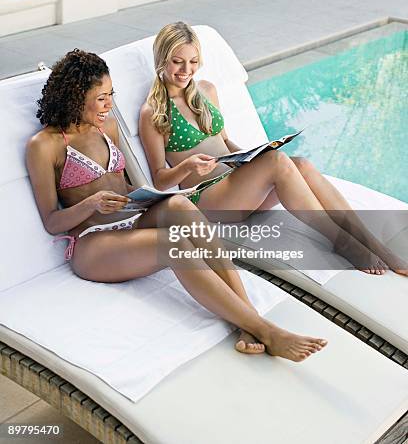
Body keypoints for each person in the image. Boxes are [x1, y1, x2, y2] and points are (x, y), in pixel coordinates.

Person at [26, 49, 327, 360]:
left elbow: (126, 184)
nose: (109, 104)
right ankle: (267, 331)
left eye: (111, 95)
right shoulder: (44, 146)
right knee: (175, 243)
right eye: (101, 98)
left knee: (182, 207)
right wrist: (91, 204)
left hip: (131, 220)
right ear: (76, 96)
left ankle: (247, 320)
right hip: (93, 243)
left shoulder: (107, 128)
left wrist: (147, 197)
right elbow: (51, 221)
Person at [140, 22, 408, 277]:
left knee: (300, 164)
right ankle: (342, 242)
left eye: (193, 61)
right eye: (178, 61)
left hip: (237, 185)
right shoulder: (153, 112)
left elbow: (225, 142)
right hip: (208, 200)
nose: (186, 70)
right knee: (278, 162)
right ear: (162, 59)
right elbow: (159, 179)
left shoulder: (207, 90)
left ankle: (371, 241)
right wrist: (187, 166)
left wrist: (253, 155)